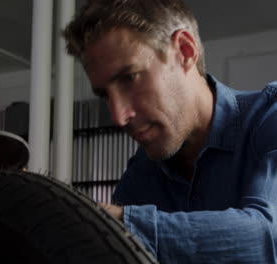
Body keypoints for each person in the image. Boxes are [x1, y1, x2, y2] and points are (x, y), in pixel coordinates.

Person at [63, 0, 277, 263]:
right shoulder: (140, 176)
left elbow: (266, 234)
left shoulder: (270, 117)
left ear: (185, 52)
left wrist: (106, 222)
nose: (118, 116)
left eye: (129, 78)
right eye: (105, 95)